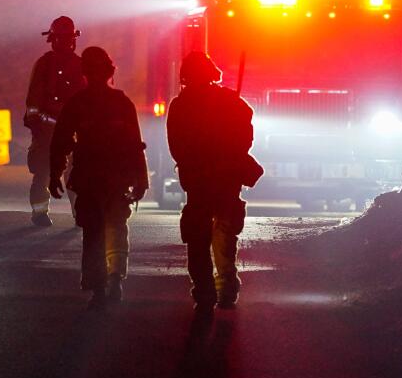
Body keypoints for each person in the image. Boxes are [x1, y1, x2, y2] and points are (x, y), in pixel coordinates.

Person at [49, 46, 148, 309]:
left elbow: (60, 142)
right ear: (109, 72)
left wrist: (55, 174)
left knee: (93, 233)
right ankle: (115, 279)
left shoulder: (77, 103)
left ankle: (98, 289)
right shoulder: (122, 103)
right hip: (116, 177)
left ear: (85, 73)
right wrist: (141, 178)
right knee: (116, 226)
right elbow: (135, 144)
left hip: (90, 177)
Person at [165, 51, 259, 314]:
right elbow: (245, 136)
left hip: (199, 181)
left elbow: (177, 146)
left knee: (199, 238)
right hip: (224, 179)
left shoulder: (181, 105)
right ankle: (226, 287)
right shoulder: (230, 101)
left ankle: (205, 291)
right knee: (225, 234)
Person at [24, 16, 85, 227]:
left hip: (73, 130)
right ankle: (40, 212)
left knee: (76, 173)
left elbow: (87, 97)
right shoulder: (45, 64)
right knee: (43, 170)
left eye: (68, 38)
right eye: (63, 38)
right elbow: (33, 98)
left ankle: (80, 212)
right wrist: (35, 122)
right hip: (48, 128)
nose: (67, 43)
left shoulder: (80, 65)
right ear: (54, 39)